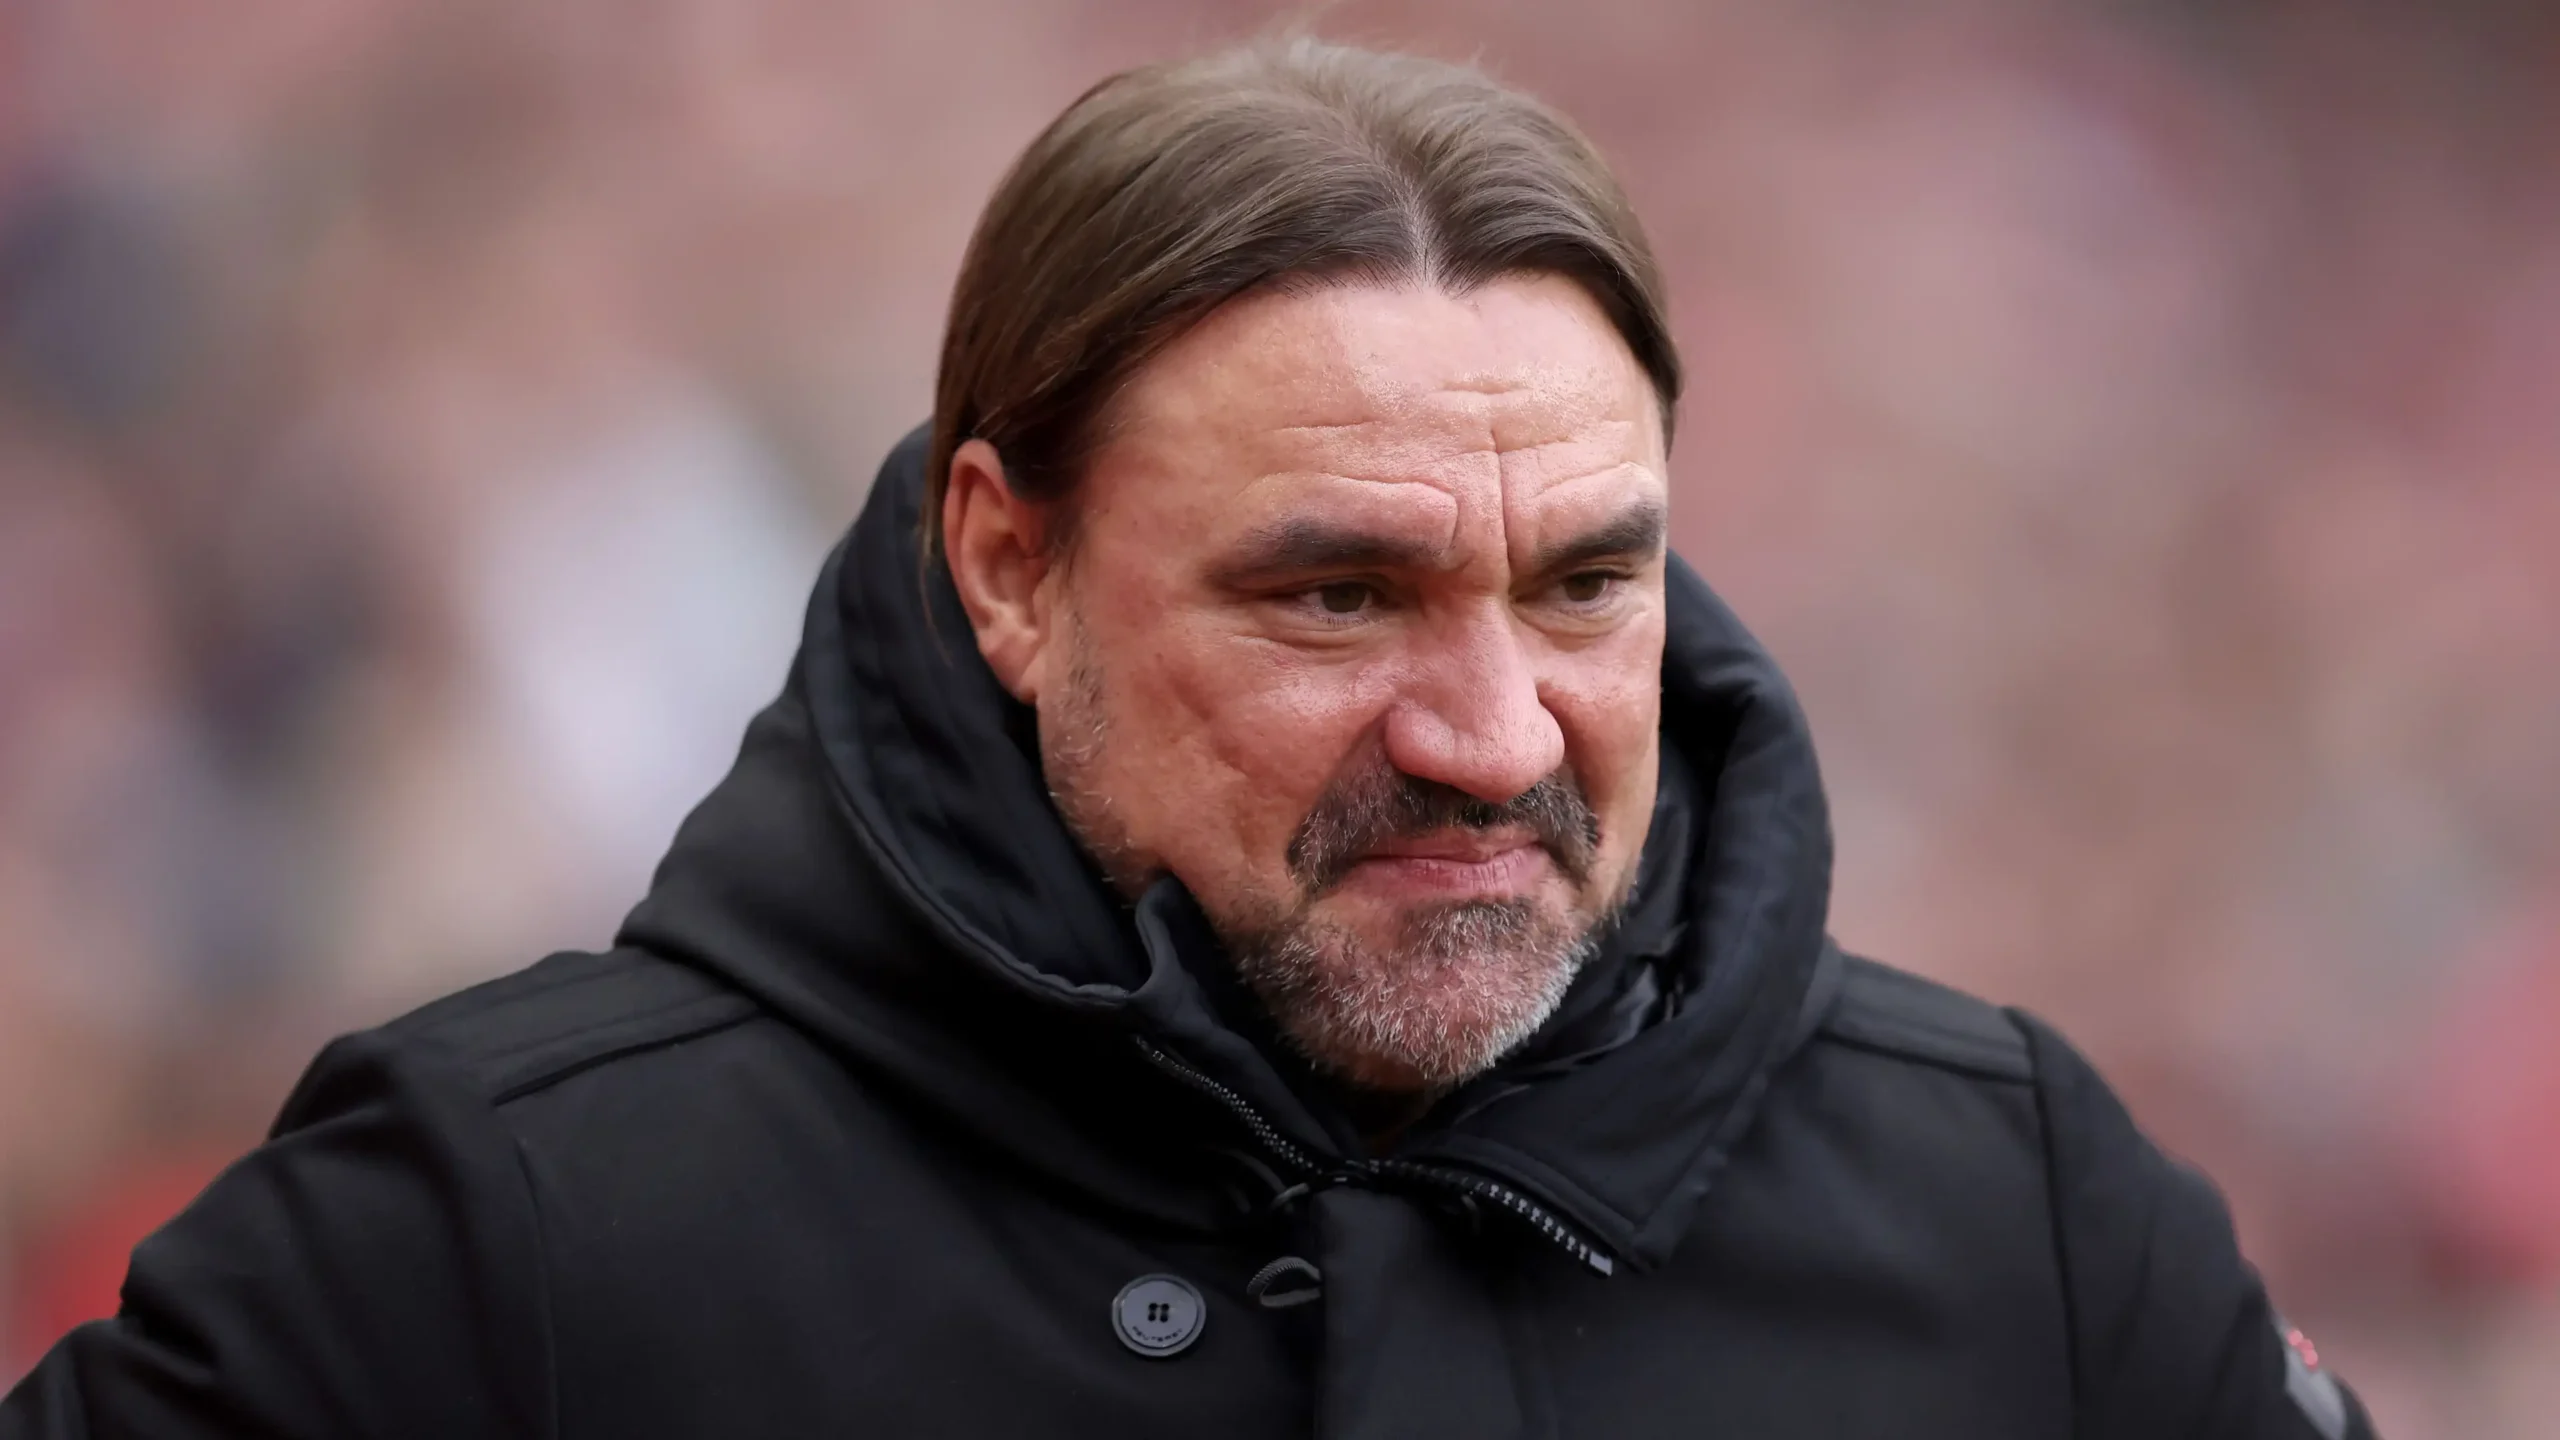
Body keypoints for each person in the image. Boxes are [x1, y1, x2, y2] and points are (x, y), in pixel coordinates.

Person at [2, 38, 2375, 1440]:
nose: (1489, 735)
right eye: (1334, 596)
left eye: (1582, 587)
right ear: (1007, 569)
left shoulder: (2021, 1218)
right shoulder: (501, 1229)